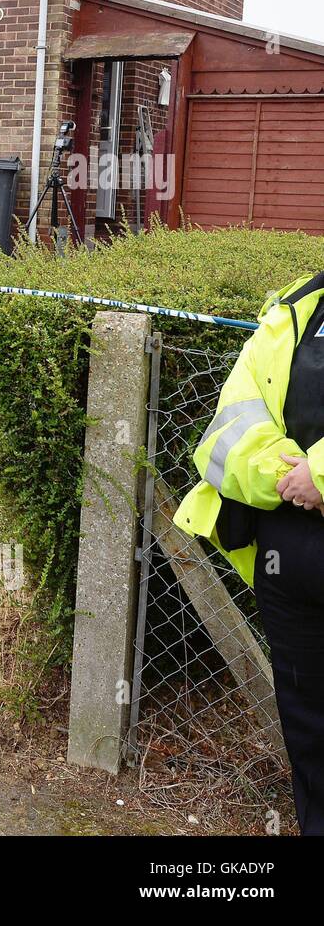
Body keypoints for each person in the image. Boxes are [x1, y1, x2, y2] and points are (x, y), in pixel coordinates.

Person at [176, 270, 324, 834]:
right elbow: (233, 419)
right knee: (309, 727)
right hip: (286, 554)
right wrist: (291, 478)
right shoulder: (297, 306)